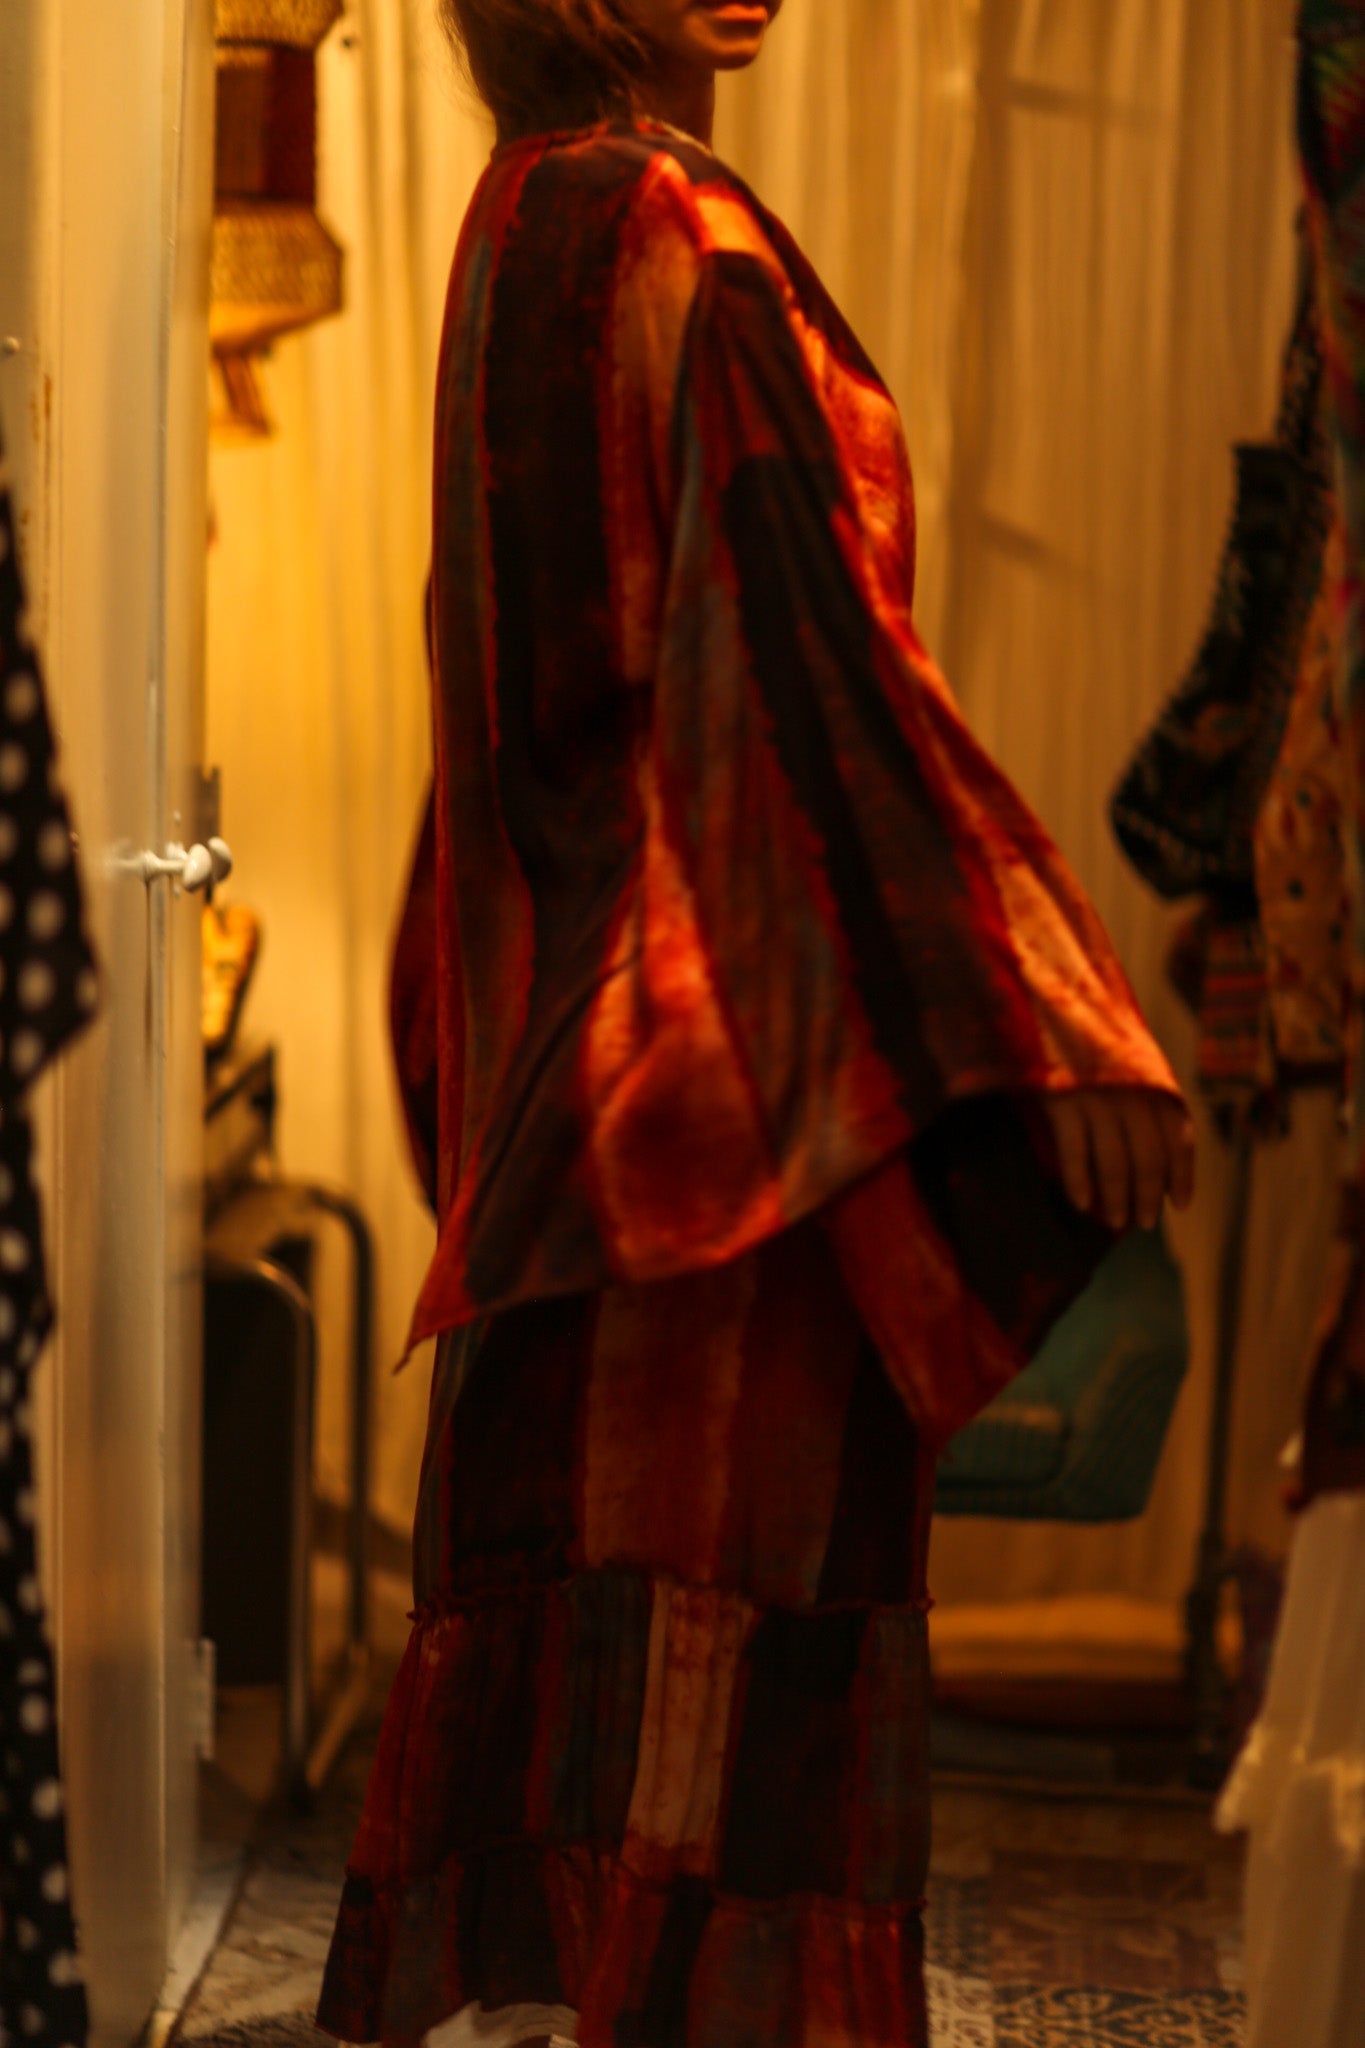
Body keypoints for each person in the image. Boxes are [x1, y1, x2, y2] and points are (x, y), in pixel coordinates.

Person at [317, 5, 1194, 2045]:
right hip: (729, 1123)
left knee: (599, 1722)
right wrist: (1048, 1001)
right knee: (730, 1740)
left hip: (564, 1099)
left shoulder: (515, 215)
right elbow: (801, 662)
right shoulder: (677, 229)